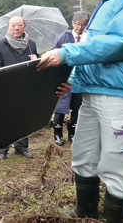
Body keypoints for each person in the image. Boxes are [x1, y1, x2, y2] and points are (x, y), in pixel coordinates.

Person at [37, 0, 123, 223]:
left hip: (119, 93)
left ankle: (114, 218)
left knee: (116, 160)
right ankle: (85, 209)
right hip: (93, 91)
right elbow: (97, 47)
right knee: (83, 152)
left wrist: (65, 53)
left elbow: (119, 42)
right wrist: (76, 81)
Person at [0, 16, 38, 160]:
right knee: (6, 119)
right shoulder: (0, 45)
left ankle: (21, 148)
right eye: (13, 25)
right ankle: (2, 149)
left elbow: (39, 66)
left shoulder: (31, 44)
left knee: (24, 119)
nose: (16, 28)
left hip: (26, 87)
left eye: (19, 25)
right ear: (8, 28)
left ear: (24, 26)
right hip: (7, 88)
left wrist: (36, 60)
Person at [51, 11, 90, 146]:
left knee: (77, 106)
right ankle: (57, 133)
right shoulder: (63, 37)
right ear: (72, 23)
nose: (80, 28)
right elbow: (54, 54)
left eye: (83, 25)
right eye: (77, 24)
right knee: (60, 107)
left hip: (81, 78)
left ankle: (72, 133)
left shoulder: (89, 38)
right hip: (64, 78)